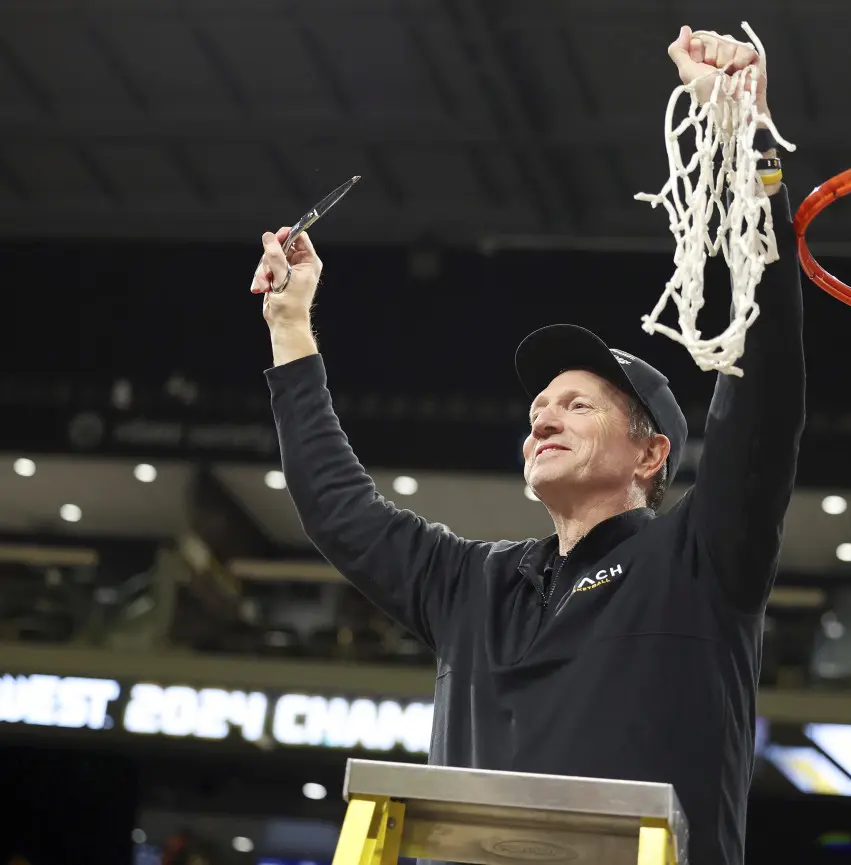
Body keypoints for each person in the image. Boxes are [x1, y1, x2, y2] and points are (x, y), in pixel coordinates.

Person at [251, 25, 804, 865]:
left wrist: (749, 145)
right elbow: (338, 507)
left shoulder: (700, 558)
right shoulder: (476, 583)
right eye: (540, 406)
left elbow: (763, 394)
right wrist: (291, 328)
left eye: (577, 405)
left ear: (650, 454)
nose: (542, 417)